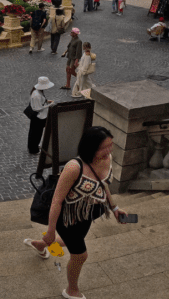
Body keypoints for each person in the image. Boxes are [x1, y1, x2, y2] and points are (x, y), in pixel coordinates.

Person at [24, 126, 129, 299]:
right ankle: (71, 290)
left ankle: (40, 245)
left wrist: (115, 208)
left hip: (87, 214)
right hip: (67, 218)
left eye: (110, 145)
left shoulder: (106, 158)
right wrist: (50, 230)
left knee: (71, 242)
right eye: (104, 147)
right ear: (90, 147)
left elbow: (103, 184)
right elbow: (56, 201)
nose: (109, 151)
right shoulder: (74, 167)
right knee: (80, 255)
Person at [27, 76, 55, 154]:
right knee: (36, 133)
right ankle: (34, 149)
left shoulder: (37, 92)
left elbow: (39, 103)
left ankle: (33, 146)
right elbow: (38, 108)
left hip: (38, 116)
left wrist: (46, 101)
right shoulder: (37, 95)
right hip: (38, 117)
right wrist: (49, 105)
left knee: (35, 132)